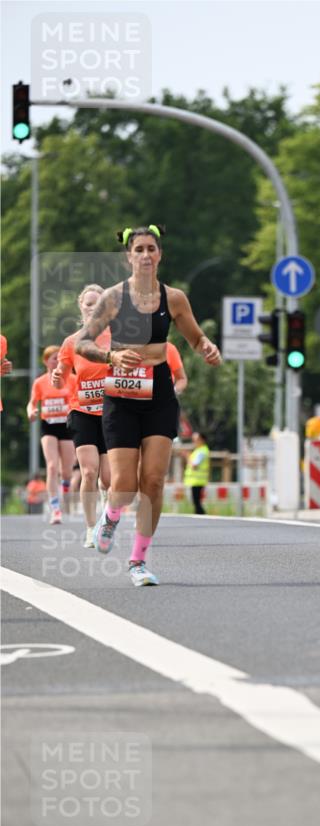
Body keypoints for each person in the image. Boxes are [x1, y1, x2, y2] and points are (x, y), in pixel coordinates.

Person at [75, 224, 221, 586]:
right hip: (121, 394)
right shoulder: (112, 297)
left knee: (153, 482)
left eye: (150, 249)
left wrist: (207, 348)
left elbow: (195, 337)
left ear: (159, 255)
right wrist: (111, 355)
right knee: (124, 484)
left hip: (158, 392)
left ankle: (138, 560)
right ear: (129, 256)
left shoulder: (174, 299)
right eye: (138, 249)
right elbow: (82, 343)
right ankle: (110, 516)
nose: (144, 255)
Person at [53, 284, 111, 547]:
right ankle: (90, 528)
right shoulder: (71, 343)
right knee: (88, 471)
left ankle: (105, 504)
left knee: (108, 478)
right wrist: (56, 378)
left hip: (113, 413)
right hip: (82, 412)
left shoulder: (117, 338)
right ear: (81, 308)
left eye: (97, 303)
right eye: (88, 303)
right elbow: (60, 380)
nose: (92, 307)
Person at [27, 346, 76, 524]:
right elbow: (32, 403)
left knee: (67, 472)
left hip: (67, 426)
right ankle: (55, 508)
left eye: (60, 359)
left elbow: (80, 398)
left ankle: (64, 492)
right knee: (52, 467)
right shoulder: (40, 382)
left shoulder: (72, 379)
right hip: (48, 425)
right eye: (54, 358)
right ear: (46, 361)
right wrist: (31, 411)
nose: (57, 362)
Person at [183, 430, 210, 515]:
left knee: (196, 502)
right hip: (196, 480)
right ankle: (200, 515)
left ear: (202, 440)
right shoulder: (199, 450)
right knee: (196, 502)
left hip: (197, 481)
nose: (194, 441)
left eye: (196, 439)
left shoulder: (201, 451)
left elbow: (194, 465)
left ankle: (201, 515)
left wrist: (187, 457)